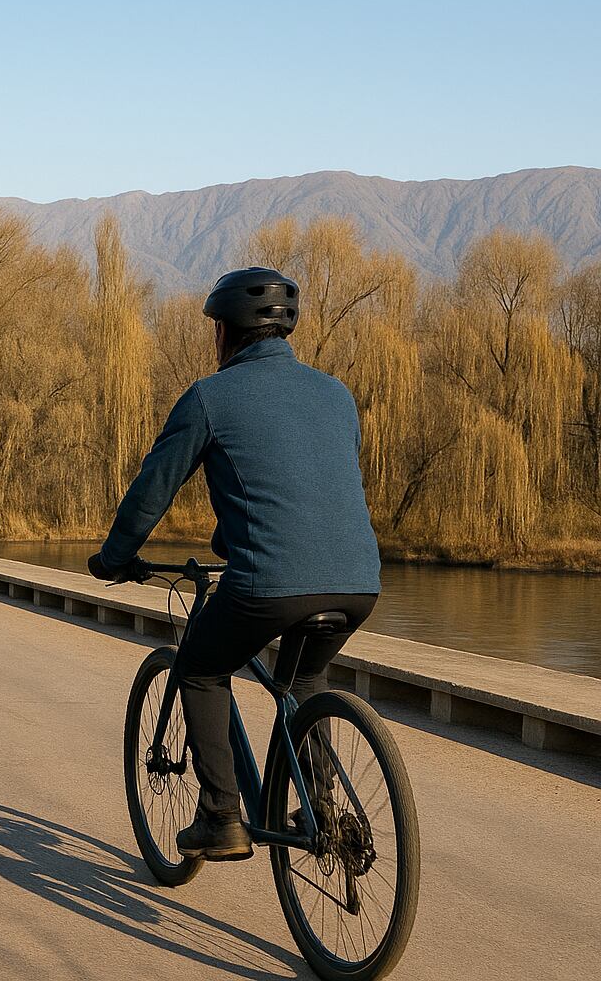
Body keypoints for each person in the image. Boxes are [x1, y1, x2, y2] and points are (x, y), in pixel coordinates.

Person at [88, 267, 380, 862]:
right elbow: (300, 488)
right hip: (358, 581)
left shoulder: (210, 398)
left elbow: (153, 489)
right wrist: (235, 538)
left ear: (226, 332)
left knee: (198, 665)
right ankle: (319, 801)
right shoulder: (336, 393)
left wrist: (114, 558)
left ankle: (221, 816)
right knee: (302, 678)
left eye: (213, 329)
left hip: (269, 585)